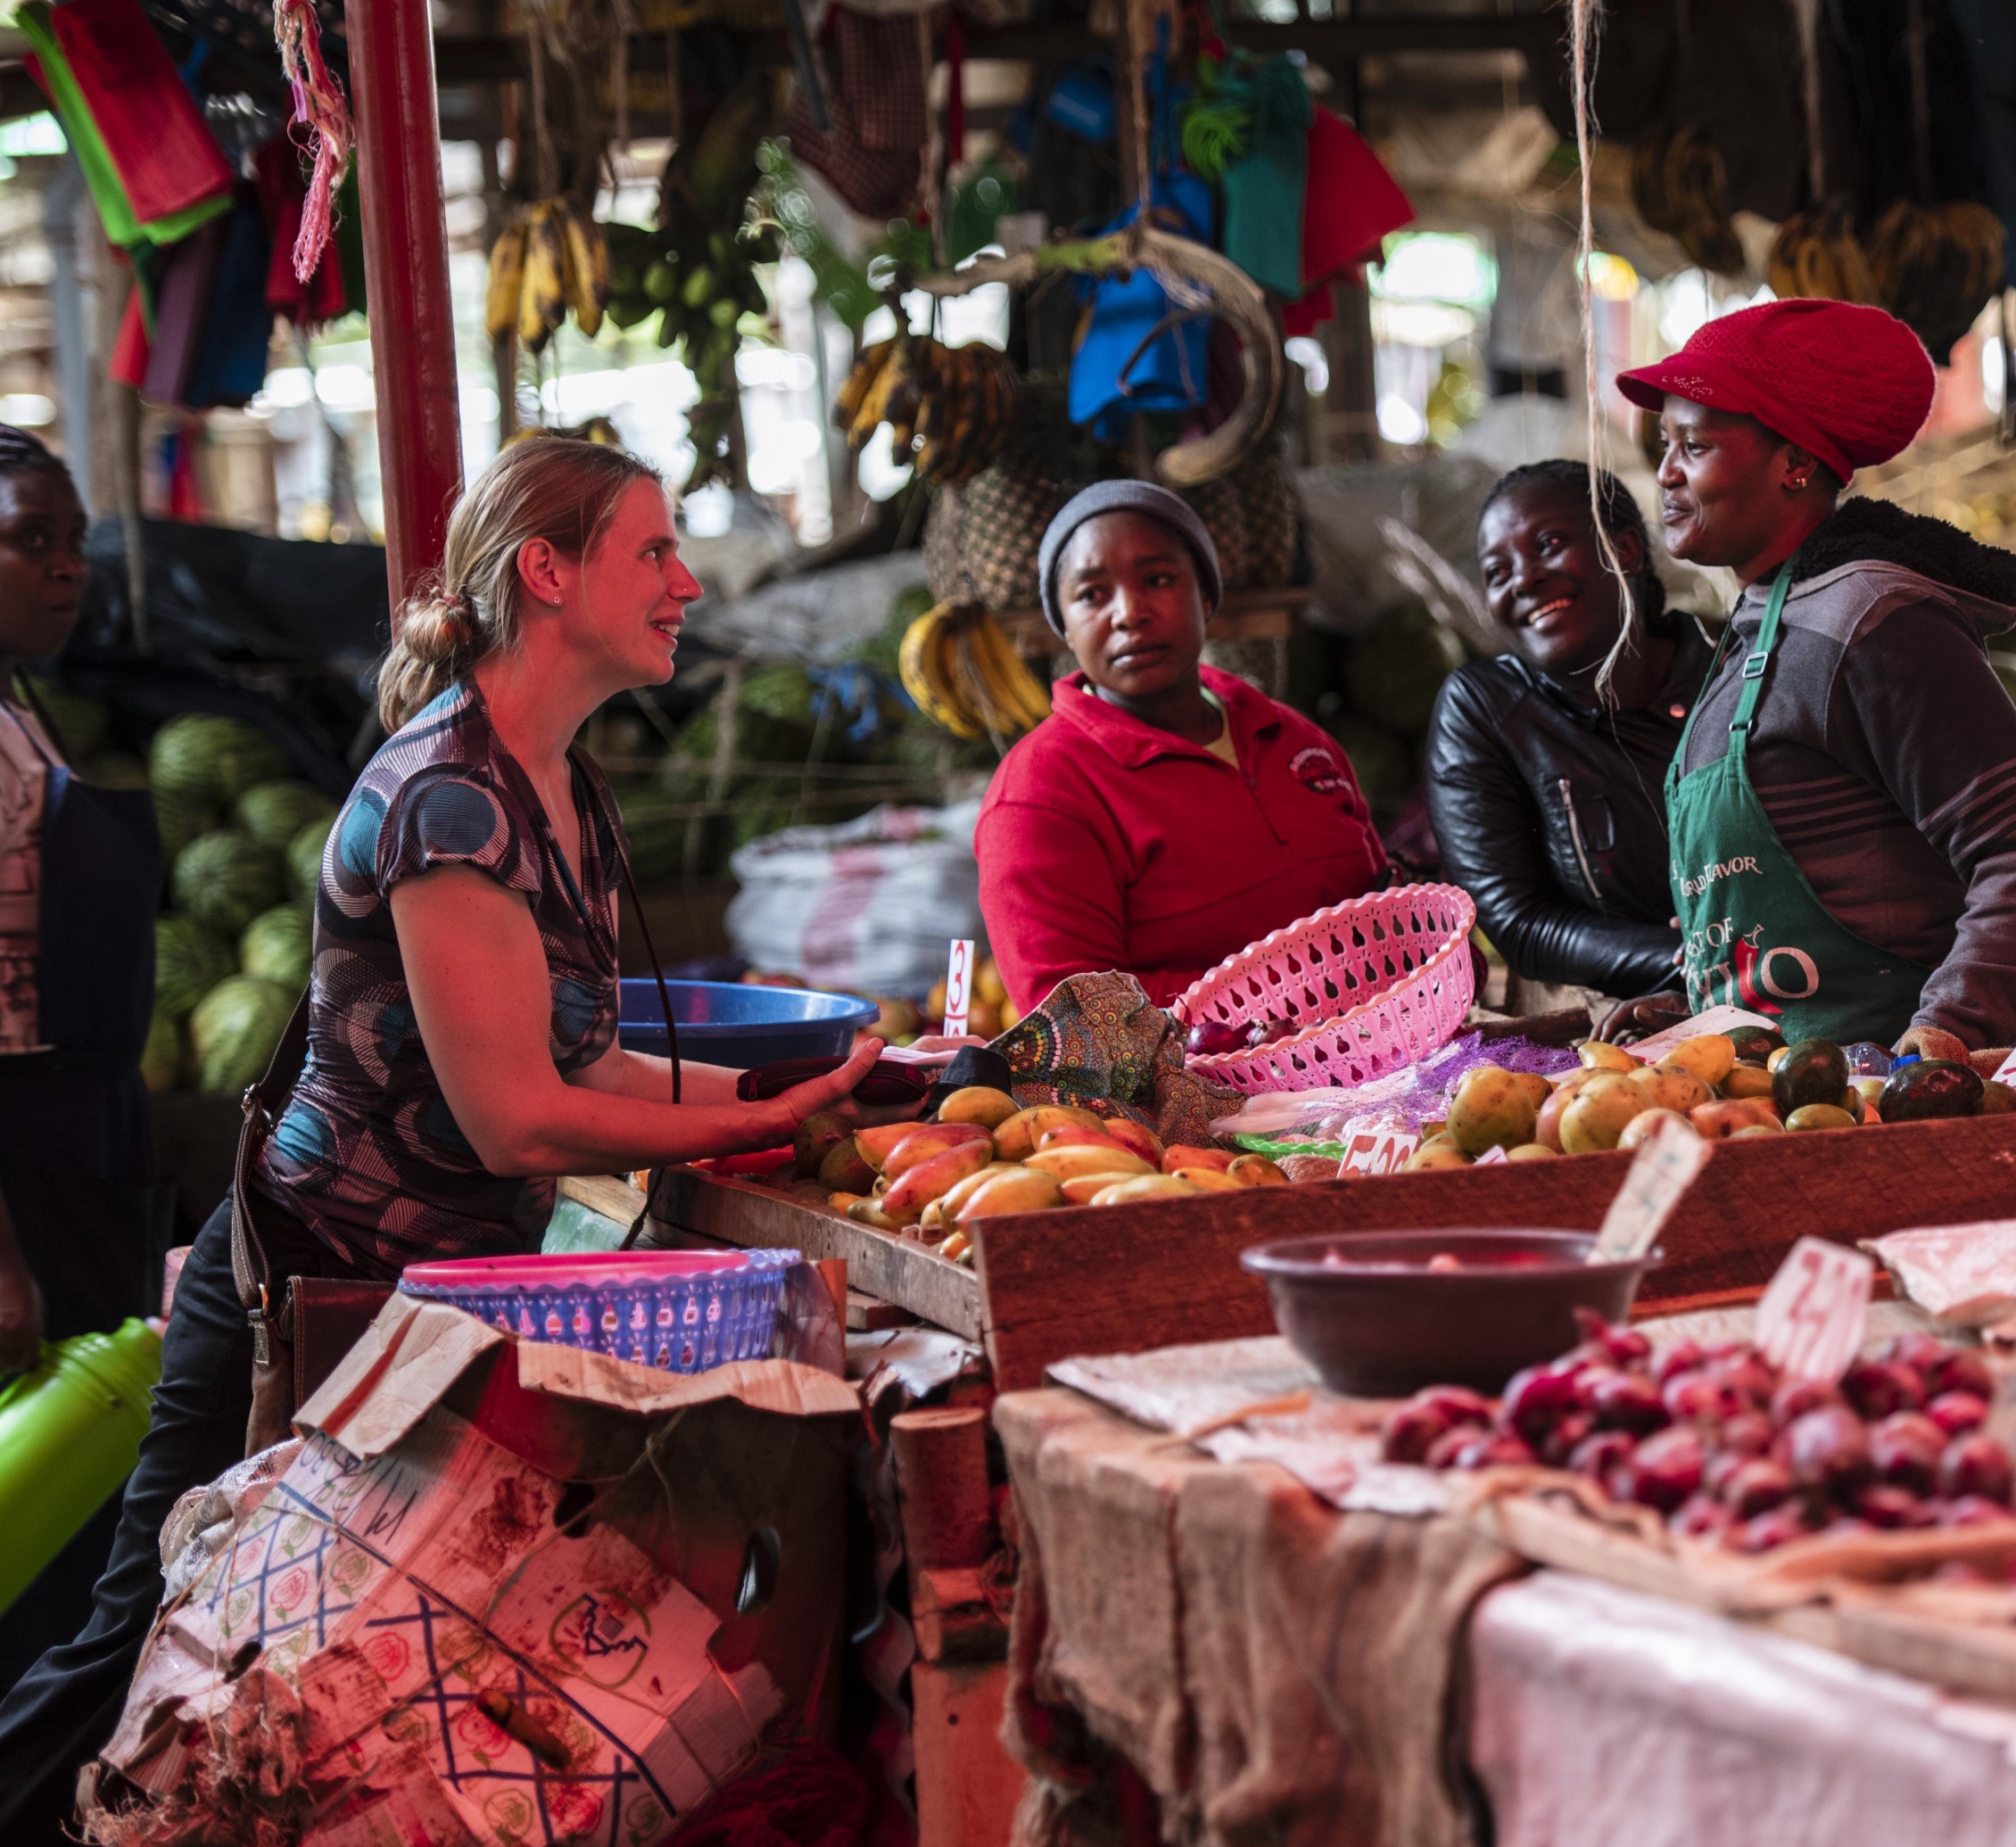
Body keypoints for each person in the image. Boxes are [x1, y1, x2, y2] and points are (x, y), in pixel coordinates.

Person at [0, 439, 882, 1833]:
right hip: (310, 1280)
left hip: (418, 1298)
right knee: (135, 1643)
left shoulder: (559, 782)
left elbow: (585, 1051)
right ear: (548, 570)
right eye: (652, 552)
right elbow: (519, 1114)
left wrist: (811, 1092)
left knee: (297, 1662)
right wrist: (759, 1110)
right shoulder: (448, 794)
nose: (687, 581)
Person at [1613, 299, 2016, 1051]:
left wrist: (1946, 1033)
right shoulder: (1754, 623)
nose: (1665, 475)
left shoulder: (1873, 622)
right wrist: (1700, 1001)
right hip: (1770, 1101)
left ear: (1796, 463)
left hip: (1877, 1104)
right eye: (1664, 444)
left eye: (1694, 446)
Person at [976, 481, 1387, 1012]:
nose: (1128, 612)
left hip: (1384, 1063)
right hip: (1192, 1094)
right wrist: (1297, 996)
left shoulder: (1294, 739)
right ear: (1066, 629)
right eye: (1091, 595)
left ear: (1207, 596)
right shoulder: (1039, 796)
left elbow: (1377, 908)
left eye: (1157, 579)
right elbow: (1076, 1018)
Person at [0, 427, 164, 1691]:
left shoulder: (19, 698)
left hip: (80, 1143)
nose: (66, 571)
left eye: (73, 544)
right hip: (23, 1169)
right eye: (29, 539)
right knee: (44, 1535)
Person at [1427, 460, 1712, 1002]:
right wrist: (1698, 960)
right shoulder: (1486, 709)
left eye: (1550, 544)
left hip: (1787, 986)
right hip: (1598, 1030)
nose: (1524, 578)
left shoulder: (1731, 666)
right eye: (1497, 572)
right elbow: (1521, 925)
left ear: (1625, 549)